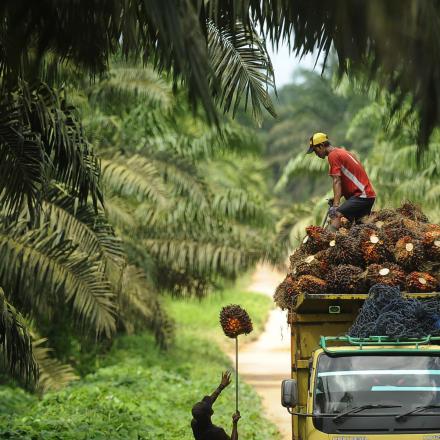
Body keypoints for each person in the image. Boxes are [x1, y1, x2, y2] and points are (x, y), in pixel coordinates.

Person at [306, 132, 376, 230]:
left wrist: (335, 205)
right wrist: (335, 198)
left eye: (315, 150)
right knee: (360, 227)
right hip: (367, 196)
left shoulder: (333, 156)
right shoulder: (341, 152)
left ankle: (327, 243)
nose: (316, 154)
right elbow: (347, 181)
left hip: (361, 196)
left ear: (321, 146)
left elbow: (337, 181)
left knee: (336, 215)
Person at [191, 371, 240, 440]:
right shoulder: (217, 433)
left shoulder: (195, 423)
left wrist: (221, 386)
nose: (209, 402)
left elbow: (210, 401)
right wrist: (235, 423)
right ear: (210, 413)